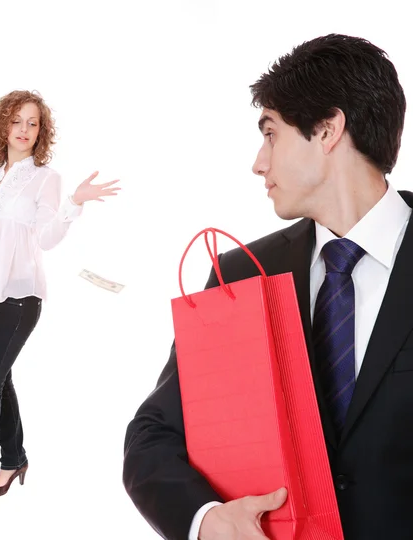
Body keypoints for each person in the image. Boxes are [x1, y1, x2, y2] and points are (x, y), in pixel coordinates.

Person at [123, 33, 411, 540]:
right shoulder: (240, 274)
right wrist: (207, 520)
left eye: (271, 133)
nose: (258, 162)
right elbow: (153, 437)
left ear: (327, 130)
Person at [0, 90, 120, 504]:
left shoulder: (47, 179)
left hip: (20, 296)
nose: (24, 130)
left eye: (32, 123)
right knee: (0, 379)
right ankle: (14, 459)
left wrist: (74, 204)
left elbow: (46, 238)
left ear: (41, 130)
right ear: (3, 125)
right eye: (16, 121)